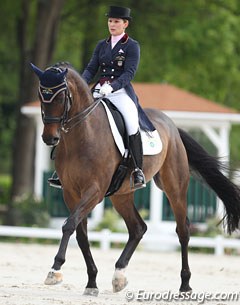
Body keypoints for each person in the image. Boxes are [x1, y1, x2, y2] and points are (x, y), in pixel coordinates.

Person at [49, 5, 155, 190]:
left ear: (125, 24)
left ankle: (137, 170)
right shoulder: (101, 45)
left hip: (120, 91)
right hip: (98, 89)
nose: (112, 24)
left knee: (131, 122)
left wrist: (112, 87)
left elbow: (129, 73)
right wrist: (82, 86)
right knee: (72, 117)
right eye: (110, 21)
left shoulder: (131, 46)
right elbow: (91, 69)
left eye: (116, 21)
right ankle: (61, 169)